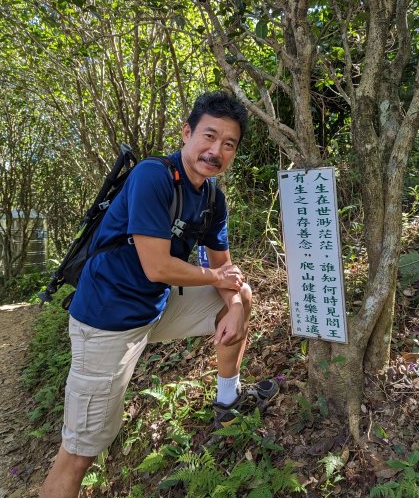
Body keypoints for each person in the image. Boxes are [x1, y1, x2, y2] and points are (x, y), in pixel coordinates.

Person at [40, 91, 278, 498]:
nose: (215, 150)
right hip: (107, 321)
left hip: (154, 308)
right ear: (186, 134)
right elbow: (159, 267)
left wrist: (236, 306)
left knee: (242, 296)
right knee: (79, 454)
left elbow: (225, 268)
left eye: (228, 144)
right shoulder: (154, 176)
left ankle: (228, 399)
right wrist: (220, 280)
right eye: (208, 136)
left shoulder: (211, 198)